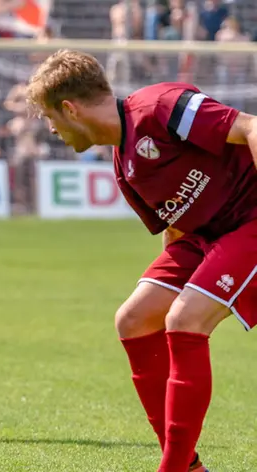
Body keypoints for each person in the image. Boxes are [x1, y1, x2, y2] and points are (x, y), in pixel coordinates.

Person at [26, 49, 257, 472]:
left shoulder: (160, 106)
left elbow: (252, 127)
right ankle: (187, 466)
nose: (52, 130)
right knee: (134, 319)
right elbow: (176, 227)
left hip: (251, 220)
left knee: (185, 320)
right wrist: (170, 283)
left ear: (70, 109)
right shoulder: (124, 165)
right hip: (205, 237)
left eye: (48, 118)